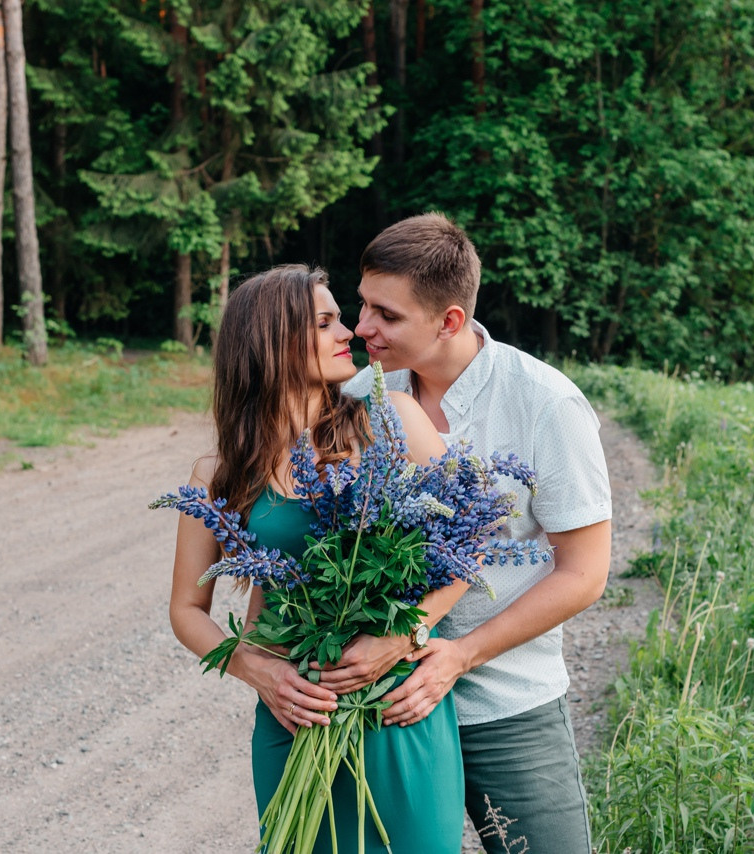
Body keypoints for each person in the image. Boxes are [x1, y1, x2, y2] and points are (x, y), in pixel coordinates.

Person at [335, 213, 613, 853]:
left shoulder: (547, 405)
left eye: (386, 315)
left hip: (508, 706)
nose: (361, 328)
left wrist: (460, 655)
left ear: (450, 321)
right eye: (361, 305)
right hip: (380, 704)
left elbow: (586, 572)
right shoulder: (357, 396)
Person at [167, 264, 468, 853]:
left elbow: (471, 545)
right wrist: (259, 672)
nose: (349, 333)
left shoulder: (391, 421)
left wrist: (405, 634)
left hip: (394, 707)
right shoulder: (221, 472)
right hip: (294, 711)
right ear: (273, 341)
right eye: (326, 322)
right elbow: (186, 608)